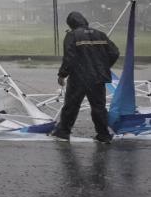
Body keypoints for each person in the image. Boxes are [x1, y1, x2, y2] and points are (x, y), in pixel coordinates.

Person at [51, 11, 120, 143]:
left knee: (71, 105)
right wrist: (104, 67)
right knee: (99, 107)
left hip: (79, 78)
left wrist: (62, 75)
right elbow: (114, 52)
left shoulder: (72, 35)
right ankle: (103, 135)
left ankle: (63, 132)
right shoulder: (100, 34)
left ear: (71, 24)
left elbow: (69, 58)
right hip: (98, 78)